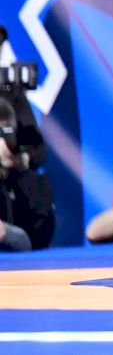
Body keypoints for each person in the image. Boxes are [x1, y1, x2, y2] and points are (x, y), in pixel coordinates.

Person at [0, 98, 54, 251]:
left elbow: (36, 242)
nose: (4, 143)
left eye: (6, 133)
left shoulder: (33, 183)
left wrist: (19, 169)